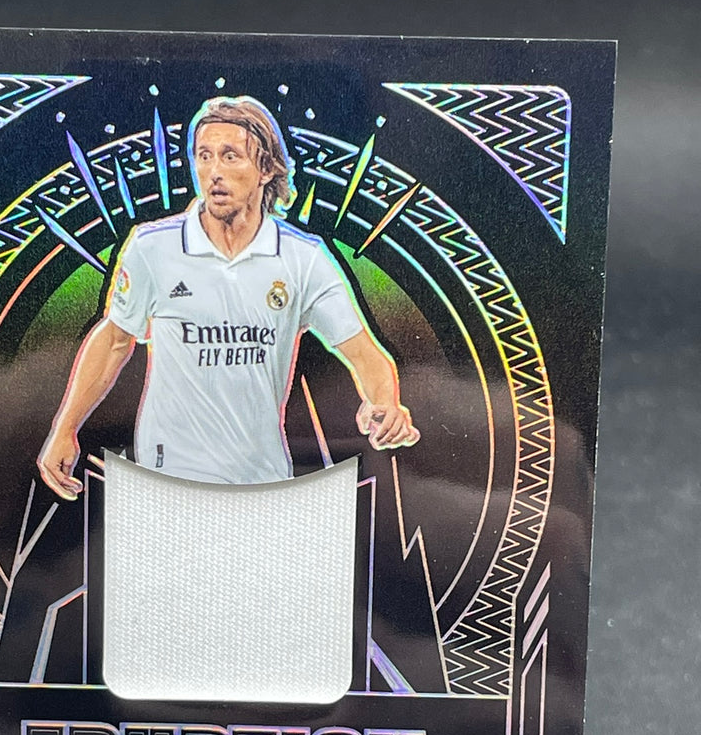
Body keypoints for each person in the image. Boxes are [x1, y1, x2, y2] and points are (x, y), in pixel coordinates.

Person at [37, 95, 418, 497]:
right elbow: (115, 339)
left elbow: (365, 354)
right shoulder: (152, 248)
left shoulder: (303, 258)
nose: (214, 172)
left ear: (266, 169)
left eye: (230, 156)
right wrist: (65, 428)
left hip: (262, 478)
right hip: (170, 475)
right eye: (204, 156)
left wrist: (385, 404)